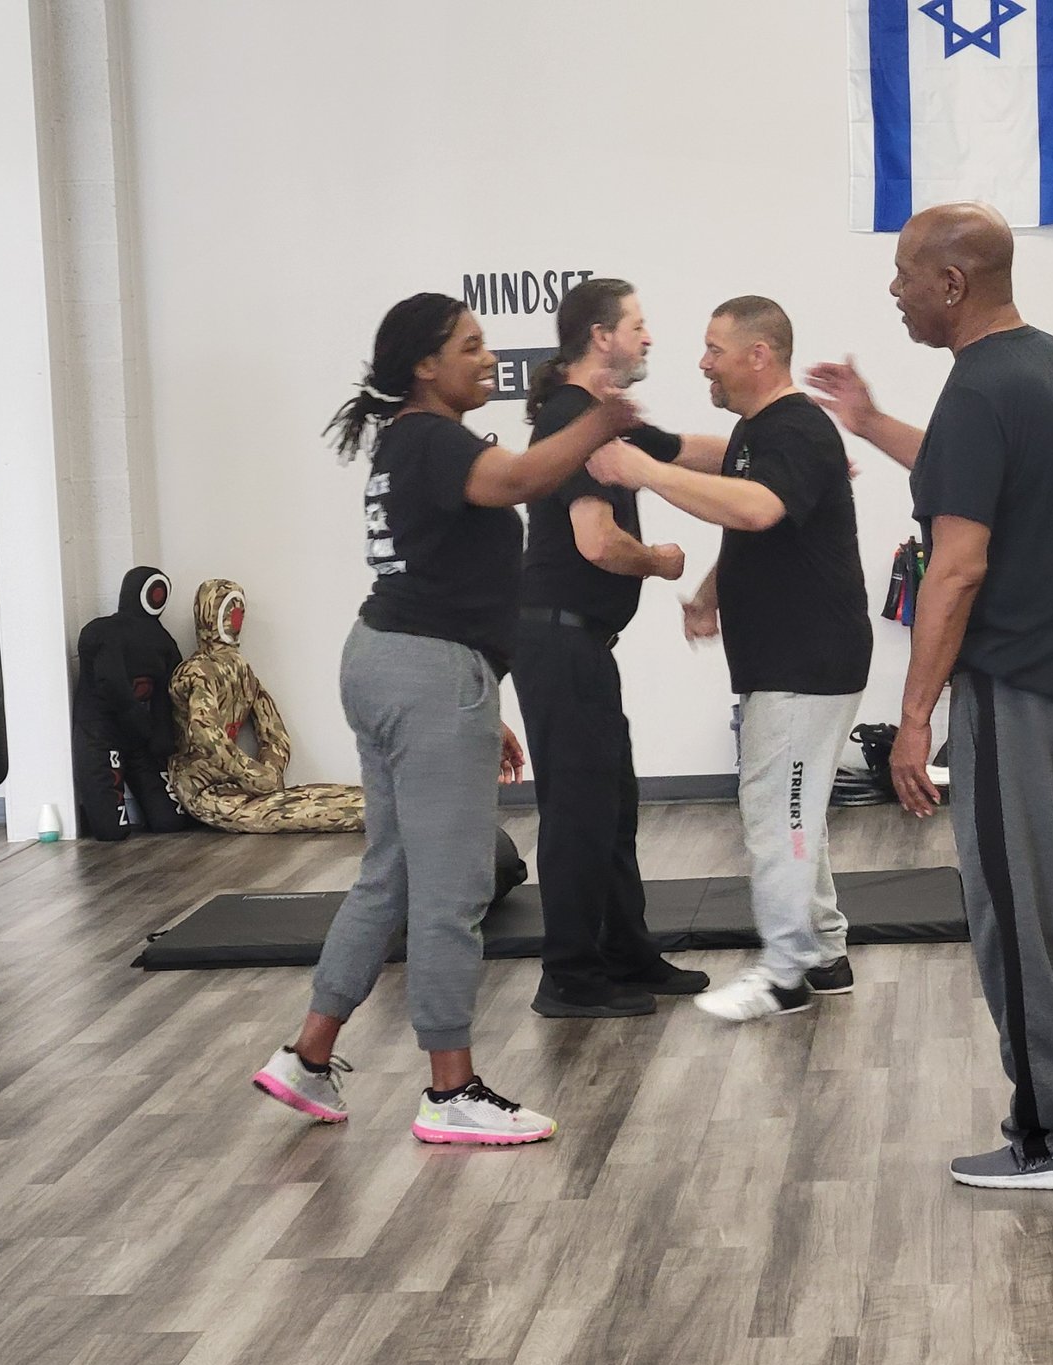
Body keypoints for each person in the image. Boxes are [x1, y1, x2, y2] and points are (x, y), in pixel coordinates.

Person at [803, 204, 1053, 1191]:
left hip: (1022, 682)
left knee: (1015, 905)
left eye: (904, 273)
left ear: (951, 284)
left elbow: (955, 569)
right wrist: (869, 418)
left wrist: (914, 717)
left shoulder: (977, 389)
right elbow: (973, 472)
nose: (894, 289)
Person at [251, 291, 639, 1146]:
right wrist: (601, 418)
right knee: (452, 890)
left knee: (388, 874)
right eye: (470, 346)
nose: (485, 358)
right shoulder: (434, 439)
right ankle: (450, 1089)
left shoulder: (406, 443)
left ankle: (307, 1057)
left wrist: (474, 700)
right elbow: (524, 478)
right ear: (425, 364)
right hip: (425, 671)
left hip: (397, 663)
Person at [588, 296, 873, 1021]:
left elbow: (755, 509)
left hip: (804, 663)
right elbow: (752, 520)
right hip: (793, 659)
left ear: (759, 355)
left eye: (714, 348)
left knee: (776, 813)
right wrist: (712, 591)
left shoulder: (797, 428)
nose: (702, 361)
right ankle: (825, 949)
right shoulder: (762, 431)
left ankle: (784, 973)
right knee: (796, 805)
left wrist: (639, 470)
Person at [516, 279, 723, 1019]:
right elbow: (597, 543)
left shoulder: (603, 421)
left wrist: (794, 446)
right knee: (579, 813)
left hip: (579, 645)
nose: (649, 338)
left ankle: (625, 955)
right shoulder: (574, 419)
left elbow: (693, 451)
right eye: (638, 325)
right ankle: (569, 978)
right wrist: (662, 561)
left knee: (612, 806)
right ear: (600, 336)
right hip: (556, 642)